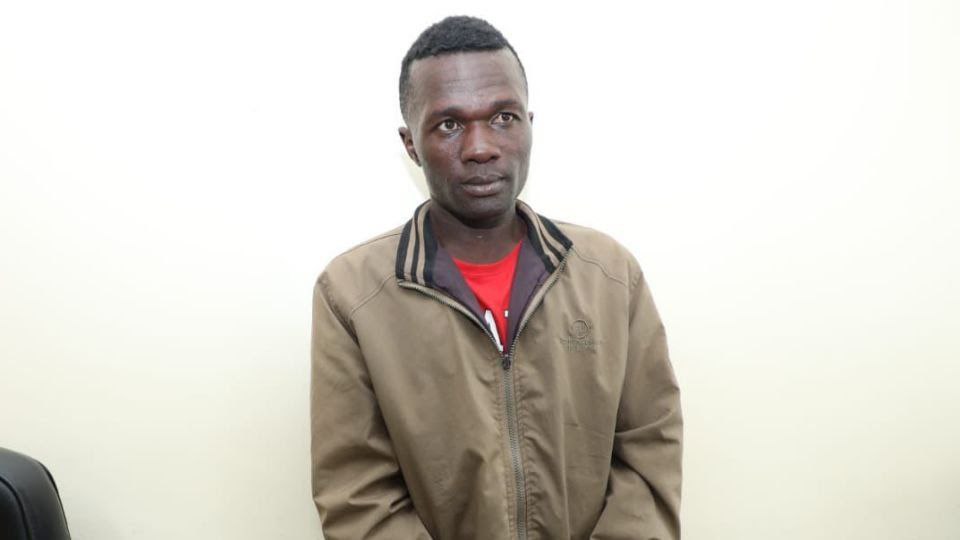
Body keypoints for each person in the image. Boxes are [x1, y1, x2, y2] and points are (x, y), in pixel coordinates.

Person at [311, 15, 682, 540]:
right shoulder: (352, 295)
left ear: (529, 125)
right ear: (411, 145)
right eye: (449, 124)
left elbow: (649, 450)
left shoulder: (610, 276)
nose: (481, 146)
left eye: (503, 117)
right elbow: (358, 496)